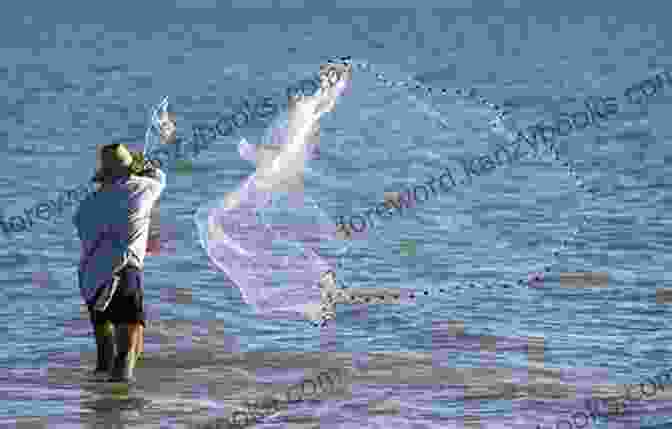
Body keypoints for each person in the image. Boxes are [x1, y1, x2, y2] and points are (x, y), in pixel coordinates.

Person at [74, 142, 166, 382]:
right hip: (123, 273)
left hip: (91, 281)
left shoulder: (86, 206)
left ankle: (96, 405)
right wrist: (144, 166)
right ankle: (118, 410)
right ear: (130, 171)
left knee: (105, 356)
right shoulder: (143, 187)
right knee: (127, 351)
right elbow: (159, 175)